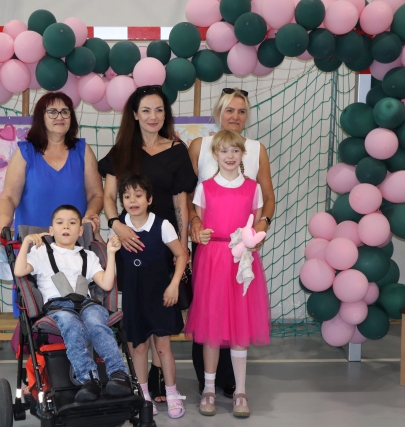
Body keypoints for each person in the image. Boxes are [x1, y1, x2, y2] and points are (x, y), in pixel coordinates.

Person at [99, 85, 197, 403]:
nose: (153, 116)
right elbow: (108, 197)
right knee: (139, 314)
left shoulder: (177, 150)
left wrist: (182, 249)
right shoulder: (122, 151)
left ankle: (161, 384)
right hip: (130, 245)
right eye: (146, 110)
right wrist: (116, 225)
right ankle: (142, 387)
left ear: (165, 115)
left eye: (159, 110)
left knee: (161, 316)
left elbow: (181, 205)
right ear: (135, 114)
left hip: (164, 245)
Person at [186, 88, 275, 398]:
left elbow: (267, 196)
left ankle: (231, 383)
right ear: (218, 113)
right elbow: (187, 194)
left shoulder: (256, 149)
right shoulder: (199, 146)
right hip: (208, 243)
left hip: (240, 246)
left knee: (237, 313)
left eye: (241, 111)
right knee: (209, 313)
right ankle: (207, 382)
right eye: (229, 110)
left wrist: (262, 226)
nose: (235, 116)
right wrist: (194, 223)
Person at [14, 205, 132, 403]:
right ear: (51, 230)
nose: (66, 226)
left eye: (72, 223)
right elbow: (19, 271)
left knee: (96, 322)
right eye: (60, 223)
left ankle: (119, 374)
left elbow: (106, 284)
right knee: (71, 325)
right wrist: (26, 243)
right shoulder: (40, 252)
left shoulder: (88, 256)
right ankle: (89, 379)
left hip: (87, 304)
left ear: (80, 231)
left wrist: (111, 253)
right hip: (58, 307)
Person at [109, 174, 188, 418]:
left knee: (163, 348)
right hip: (134, 298)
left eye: (138, 195)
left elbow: (181, 255)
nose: (132, 201)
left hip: (161, 296)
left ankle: (172, 393)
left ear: (149, 199)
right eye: (126, 196)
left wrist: (174, 285)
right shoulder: (119, 227)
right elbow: (108, 254)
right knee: (139, 347)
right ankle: (143, 396)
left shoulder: (162, 225)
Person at [0, 92, 104, 240]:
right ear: (41, 118)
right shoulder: (25, 152)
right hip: (33, 242)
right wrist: (2, 226)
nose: (60, 117)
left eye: (65, 112)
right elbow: (9, 197)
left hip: (75, 242)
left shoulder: (83, 151)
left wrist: (90, 214)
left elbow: (96, 195)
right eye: (52, 112)